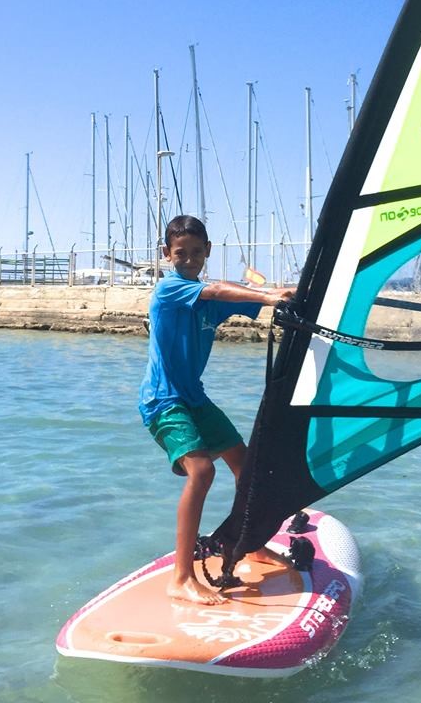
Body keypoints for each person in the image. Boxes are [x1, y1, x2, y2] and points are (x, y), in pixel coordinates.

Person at [139, 214, 296, 605]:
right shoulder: (169, 289)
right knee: (203, 470)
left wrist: (285, 293)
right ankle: (181, 578)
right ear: (166, 255)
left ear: (208, 251)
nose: (188, 259)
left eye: (196, 252)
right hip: (163, 400)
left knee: (247, 466)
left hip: (195, 398)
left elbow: (237, 296)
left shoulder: (207, 296)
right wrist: (267, 296)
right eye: (180, 253)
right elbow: (217, 291)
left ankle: (252, 543)